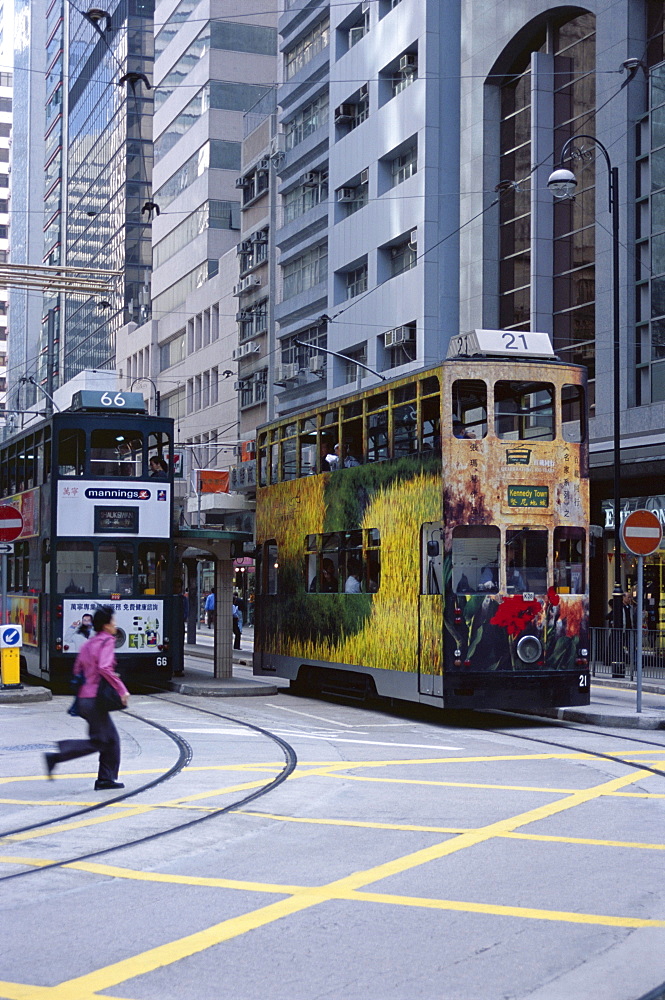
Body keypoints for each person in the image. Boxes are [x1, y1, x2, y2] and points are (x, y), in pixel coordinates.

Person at [43, 606, 129, 791]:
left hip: (84, 699)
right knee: (102, 740)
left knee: (110, 739)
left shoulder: (89, 643)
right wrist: (121, 690)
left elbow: (77, 670)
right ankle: (57, 756)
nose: (115, 625)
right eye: (113, 621)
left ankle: (105, 779)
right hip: (95, 699)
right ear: (106, 625)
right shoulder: (106, 641)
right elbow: (105, 668)